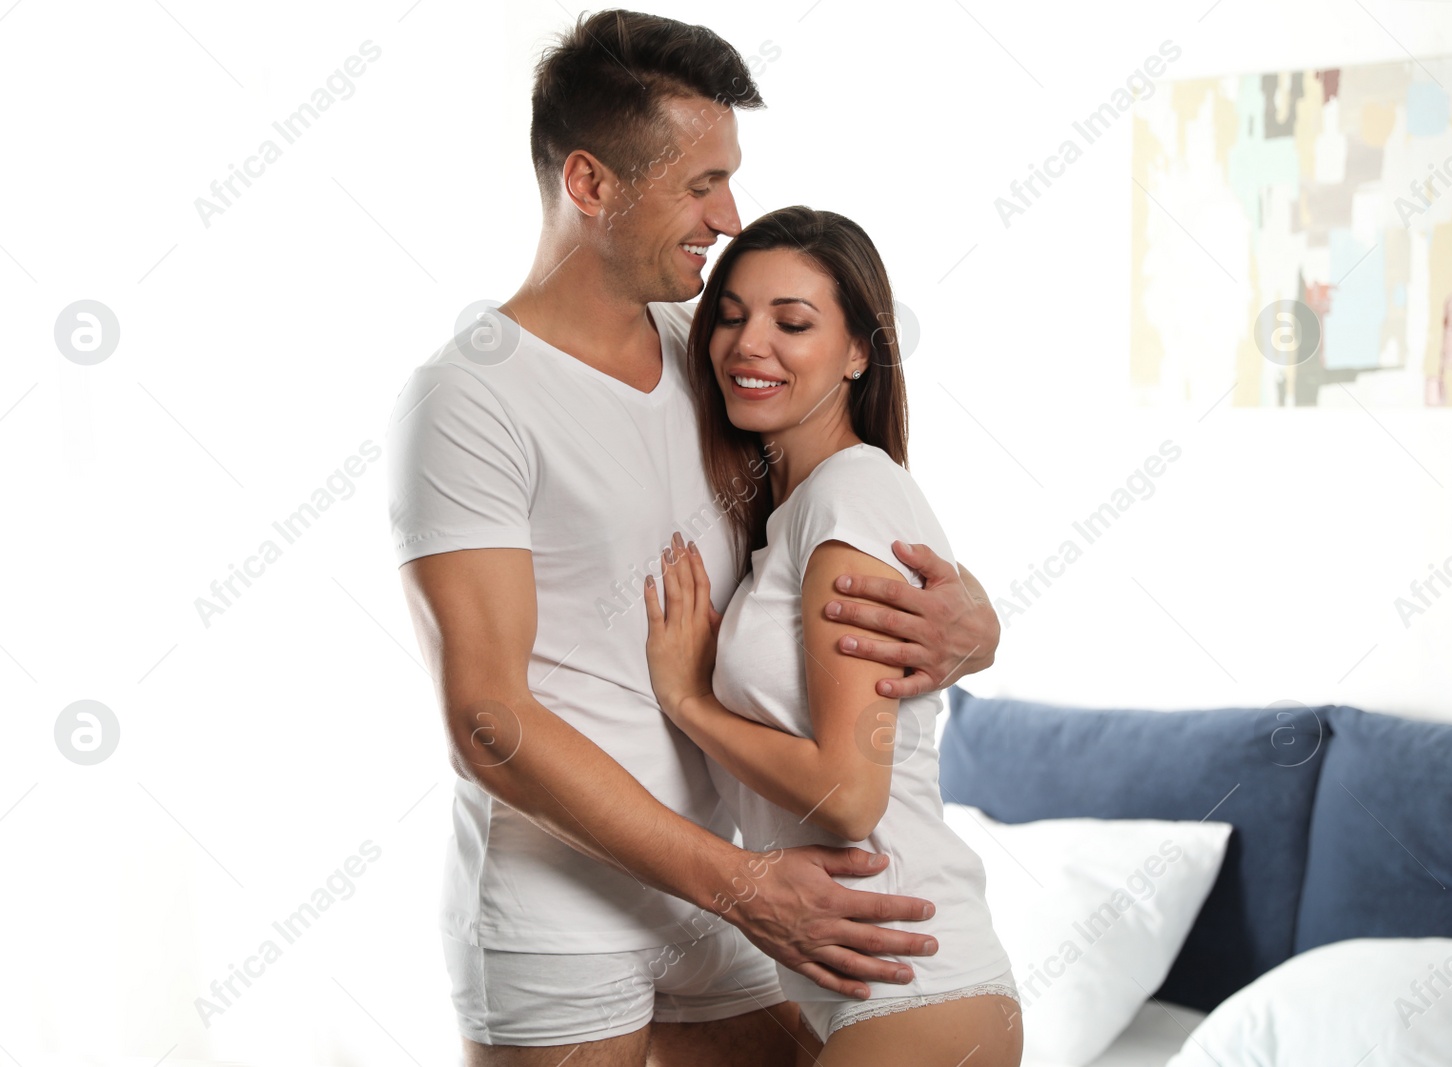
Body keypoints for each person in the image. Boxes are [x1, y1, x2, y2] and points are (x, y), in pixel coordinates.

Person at [386, 10, 1003, 1065]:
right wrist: (744, 885)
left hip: (725, 890)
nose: (728, 214)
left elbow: (845, 520)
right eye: (700, 182)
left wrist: (972, 622)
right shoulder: (471, 395)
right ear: (590, 184)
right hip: (566, 905)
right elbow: (486, 716)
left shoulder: (715, 352)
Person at [642, 205, 1022, 1065]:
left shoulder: (851, 496)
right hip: (863, 994)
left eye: (793, 321)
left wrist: (689, 700)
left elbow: (849, 794)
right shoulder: (800, 512)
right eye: (731, 315)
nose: (749, 344)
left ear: (858, 352)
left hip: (917, 988)